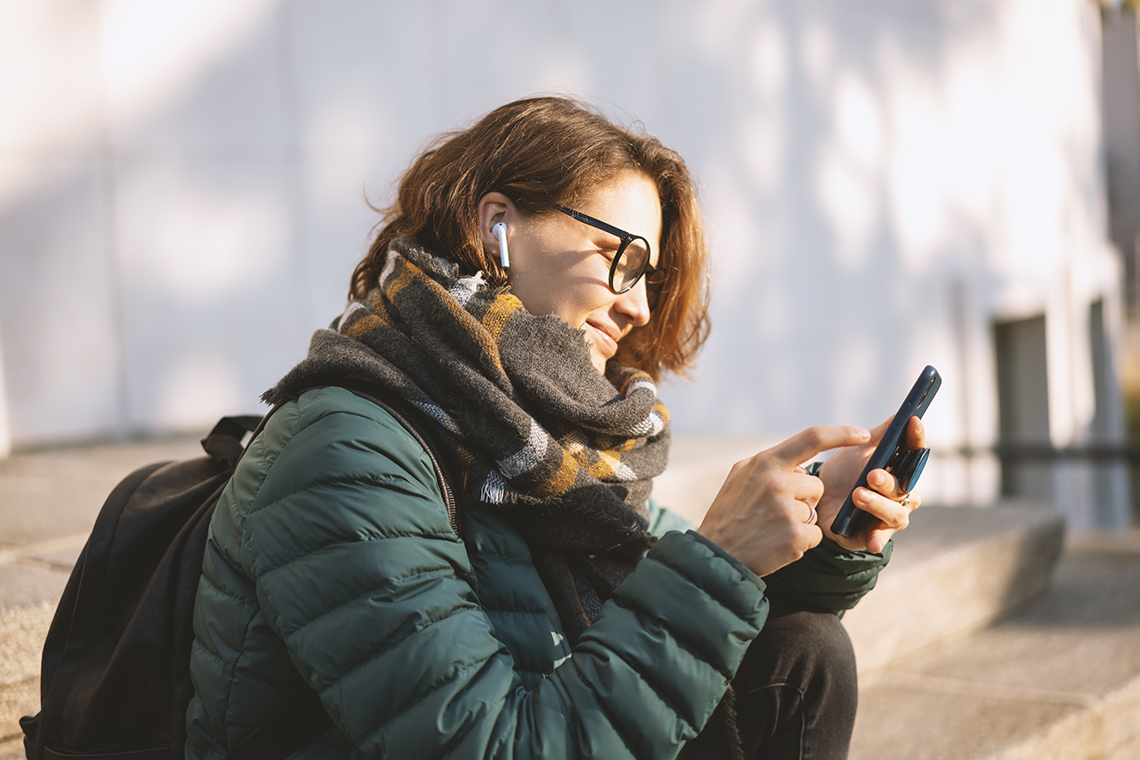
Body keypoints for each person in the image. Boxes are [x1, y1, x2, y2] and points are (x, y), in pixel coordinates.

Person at [184, 96, 923, 760]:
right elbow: (494, 745)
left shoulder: (544, 440)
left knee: (799, 654)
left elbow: (667, 613)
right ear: (497, 228)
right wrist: (720, 560)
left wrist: (819, 536)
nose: (636, 307)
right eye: (619, 257)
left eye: (649, 276)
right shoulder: (347, 447)